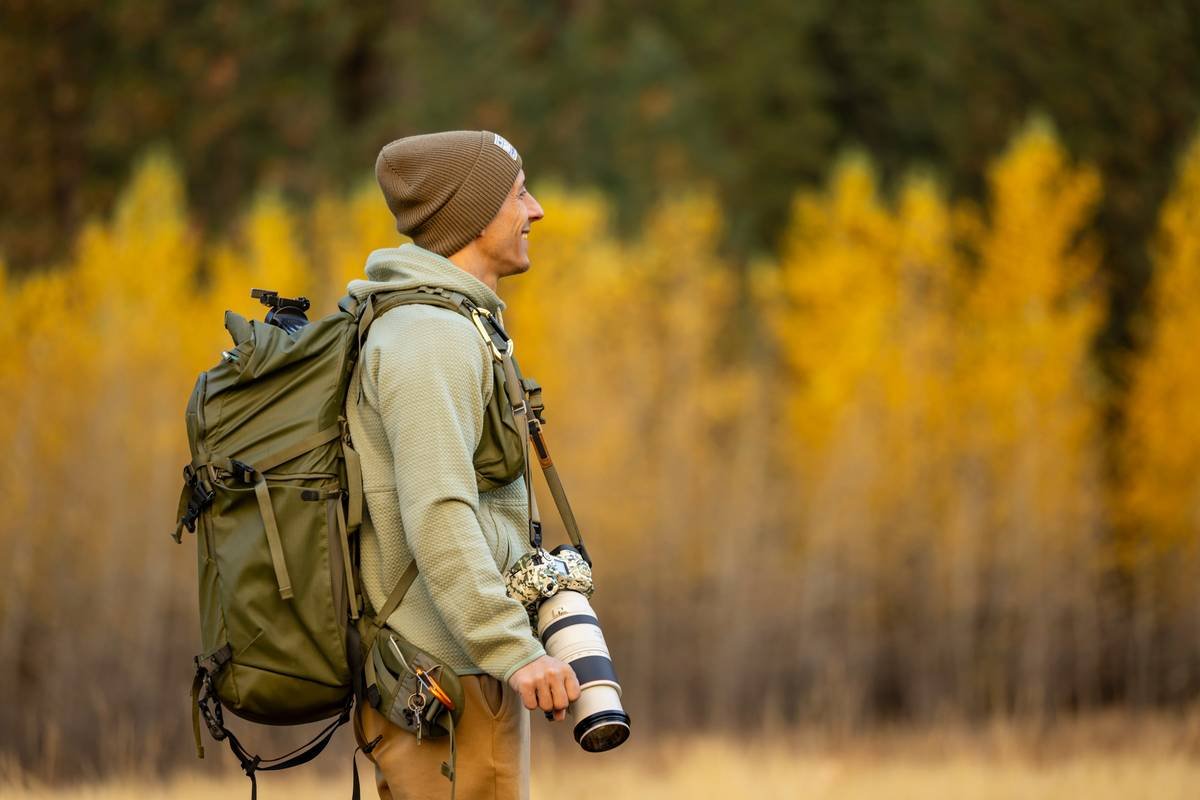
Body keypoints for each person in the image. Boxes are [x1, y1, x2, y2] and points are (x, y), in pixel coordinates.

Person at [346, 130, 581, 800]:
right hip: (450, 682)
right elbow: (439, 515)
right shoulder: (430, 338)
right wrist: (514, 650)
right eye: (518, 194)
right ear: (473, 218)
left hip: (459, 673)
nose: (535, 211)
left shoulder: (451, 325)